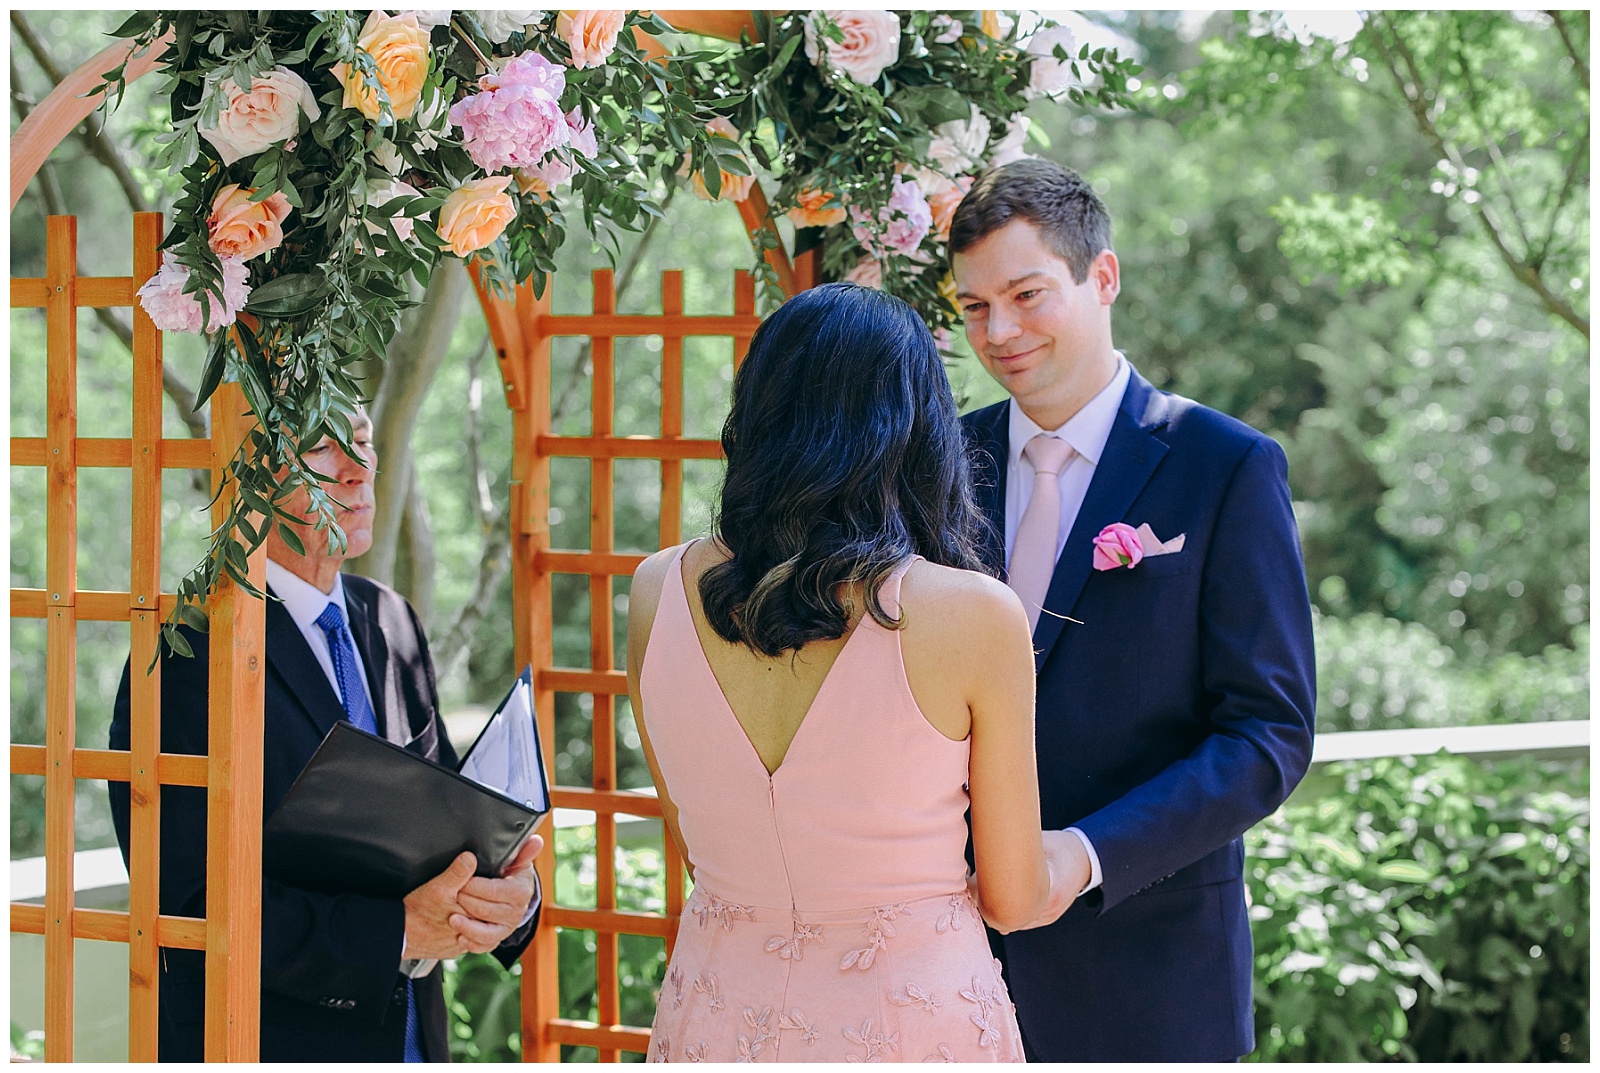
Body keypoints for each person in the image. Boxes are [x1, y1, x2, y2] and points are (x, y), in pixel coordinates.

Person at [626, 283, 1076, 1063]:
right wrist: (1082, 851)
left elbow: (693, 837)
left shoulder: (655, 589)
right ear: (915, 427)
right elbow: (1013, 893)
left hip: (718, 1017)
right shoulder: (971, 615)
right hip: (908, 1027)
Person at [948, 158, 1317, 1062]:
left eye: (1027, 295)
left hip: (1148, 979)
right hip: (948, 971)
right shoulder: (942, 462)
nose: (1000, 331)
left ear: (1102, 277)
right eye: (973, 307)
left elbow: (1269, 731)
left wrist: (1084, 852)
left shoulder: (1224, 465)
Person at [108, 407, 542, 1062]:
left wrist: (510, 893)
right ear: (251, 475)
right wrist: (396, 932)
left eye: (364, 442)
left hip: (414, 1038)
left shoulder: (390, 618)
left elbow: (452, 816)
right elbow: (188, 902)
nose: (356, 469)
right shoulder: (191, 652)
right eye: (322, 450)